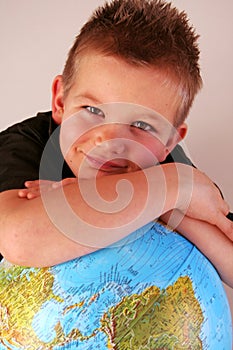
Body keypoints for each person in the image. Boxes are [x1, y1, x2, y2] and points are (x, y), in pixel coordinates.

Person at [0, 0, 232, 289]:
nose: (110, 142)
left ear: (169, 142)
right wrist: (172, 189)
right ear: (60, 101)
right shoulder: (22, 146)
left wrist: (166, 200)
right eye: (93, 111)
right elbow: (19, 239)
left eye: (141, 125)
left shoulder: (167, 168)